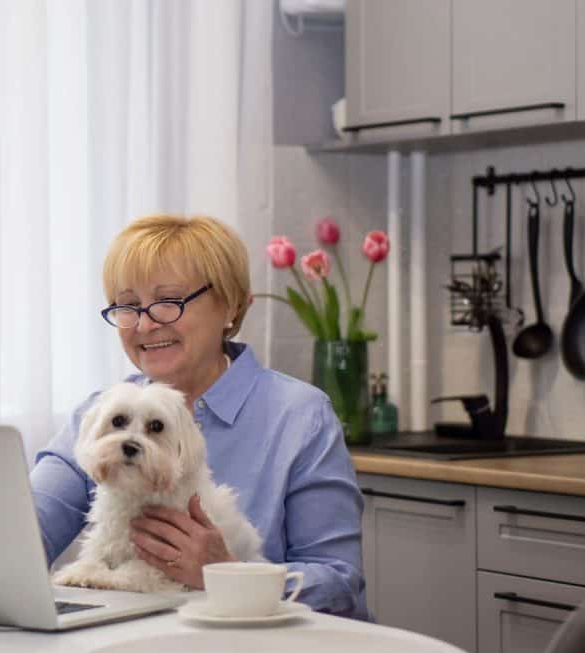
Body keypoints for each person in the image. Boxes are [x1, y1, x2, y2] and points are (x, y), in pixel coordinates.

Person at [30, 214, 369, 620]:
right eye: (128, 305)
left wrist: (226, 572)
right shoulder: (101, 415)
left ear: (229, 304)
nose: (144, 323)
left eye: (168, 302)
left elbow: (338, 581)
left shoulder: (300, 417)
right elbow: (25, 526)